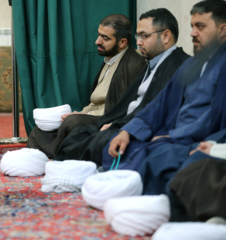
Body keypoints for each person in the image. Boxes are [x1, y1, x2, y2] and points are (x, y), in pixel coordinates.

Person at [104, 0, 226, 182]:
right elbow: (159, 104)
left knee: (161, 158)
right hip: (176, 136)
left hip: (200, 140)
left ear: (222, 30)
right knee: (119, 145)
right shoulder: (192, 64)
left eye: (200, 26)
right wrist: (128, 131)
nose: (192, 33)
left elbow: (215, 120)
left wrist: (173, 135)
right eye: (192, 26)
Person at [55, 8, 189, 165]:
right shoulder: (154, 62)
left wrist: (121, 126)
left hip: (135, 130)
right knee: (79, 134)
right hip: (124, 123)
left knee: (90, 141)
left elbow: (153, 110)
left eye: (144, 36)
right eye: (138, 36)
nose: (138, 42)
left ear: (166, 36)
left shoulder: (176, 66)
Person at [27, 14, 146, 158]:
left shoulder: (133, 65)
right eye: (99, 35)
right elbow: (96, 103)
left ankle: (61, 156)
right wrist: (83, 113)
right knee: (37, 133)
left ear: (122, 42)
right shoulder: (110, 59)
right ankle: (58, 155)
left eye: (105, 38)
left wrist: (85, 115)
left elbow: (121, 109)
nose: (97, 41)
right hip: (92, 117)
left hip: (107, 123)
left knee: (73, 122)